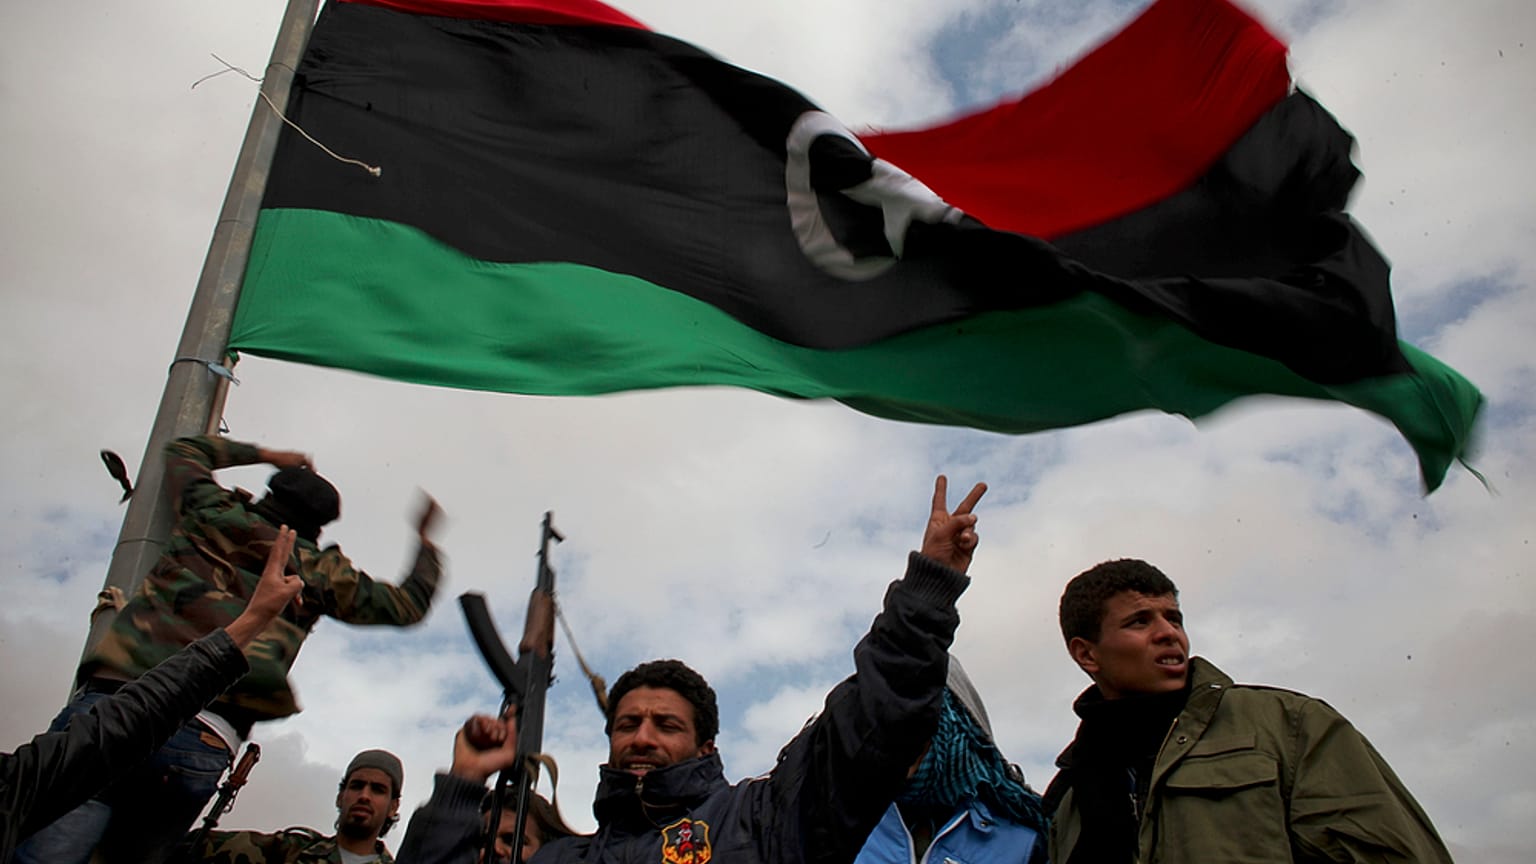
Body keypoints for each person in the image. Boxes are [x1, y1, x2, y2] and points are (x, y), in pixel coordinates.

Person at [395, 474, 987, 864]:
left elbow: (869, 730)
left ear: (707, 746)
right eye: (626, 725)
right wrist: (463, 783)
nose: (642, 737)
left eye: (665, 724)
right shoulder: (562, 857)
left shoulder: (761, 820)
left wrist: (927, 590)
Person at [18, 434, 445, 864]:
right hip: (204, 736)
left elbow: (184, 450)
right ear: (319, 524)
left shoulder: (212, 511)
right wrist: (426, 543)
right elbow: (406, 605)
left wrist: (266, 454)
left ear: (271, 492)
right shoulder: (318, 570)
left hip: (115, 705)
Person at [1044, 558, 1455, 863]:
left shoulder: (1288, 725)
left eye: (1174, 618)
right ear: (1087, 654)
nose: (1168, 633)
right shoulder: (1067, 792)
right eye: (1139, 622)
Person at [1, 527, 304, 864]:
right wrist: (252, 620)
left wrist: (252, 620)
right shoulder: (16, 787)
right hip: (196, 735)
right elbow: (121, 727)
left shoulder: (14, 787)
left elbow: (122, 726)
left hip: (168, 717)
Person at [852, 656, 1047, 864]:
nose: (899, 736)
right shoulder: (833, 824)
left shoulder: (1023, 842)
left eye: (916, 720)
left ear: (956, 724)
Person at [191, 749, 406, 863]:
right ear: (341, 796)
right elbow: (185, 844)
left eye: (378, 790)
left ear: (393, 807)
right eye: (356, 786)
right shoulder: (286, 850)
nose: (364, 796)